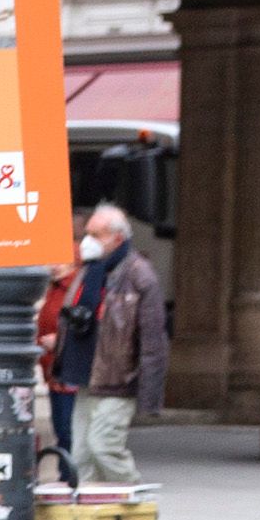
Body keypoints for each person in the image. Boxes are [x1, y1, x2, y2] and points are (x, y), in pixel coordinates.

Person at [63, 202, 169, 487]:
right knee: (81, 456)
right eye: (86, 234)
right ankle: (91, 510)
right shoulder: (91, 270)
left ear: (117, 238)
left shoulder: (139, 274)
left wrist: (149, 396)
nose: (87, 242)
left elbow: (153, 340)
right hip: (86, 375)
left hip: (118, 379)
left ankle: (137, 500)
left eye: (95, 235)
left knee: (104, 447)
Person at [32, 227, 86, 486]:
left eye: (59, 260)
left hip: (68, 370)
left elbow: (82, 326)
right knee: (61, 426)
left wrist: (59, 341)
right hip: (54, 369)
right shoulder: (54, 288)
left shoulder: (76, 288)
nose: (52, 265)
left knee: (67, 428)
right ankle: (67, 476)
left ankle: (71, 476)